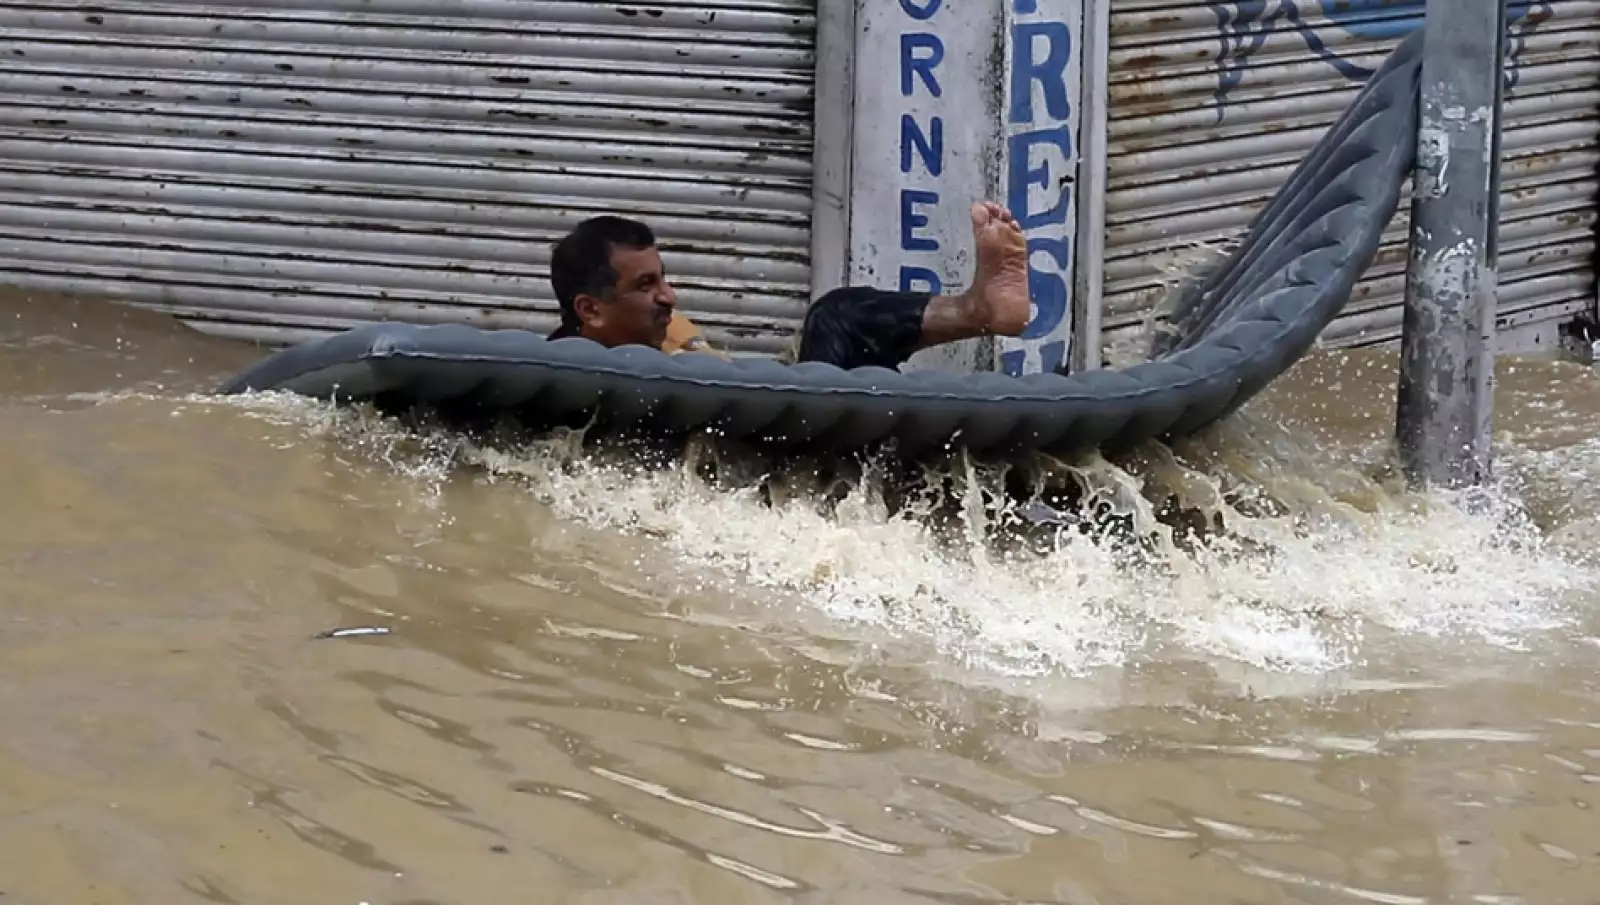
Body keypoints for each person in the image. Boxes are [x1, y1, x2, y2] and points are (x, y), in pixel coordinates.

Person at [546, 201, 1032, 371]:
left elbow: (704, 353)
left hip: (775, 409)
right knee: (833, 317)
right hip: (771, 444)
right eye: (646, 285)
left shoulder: (660, 333)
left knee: (842, 311)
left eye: (664, 279)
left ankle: (978, 309)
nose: (669, 296)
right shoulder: (570, 370)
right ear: (589, 310)